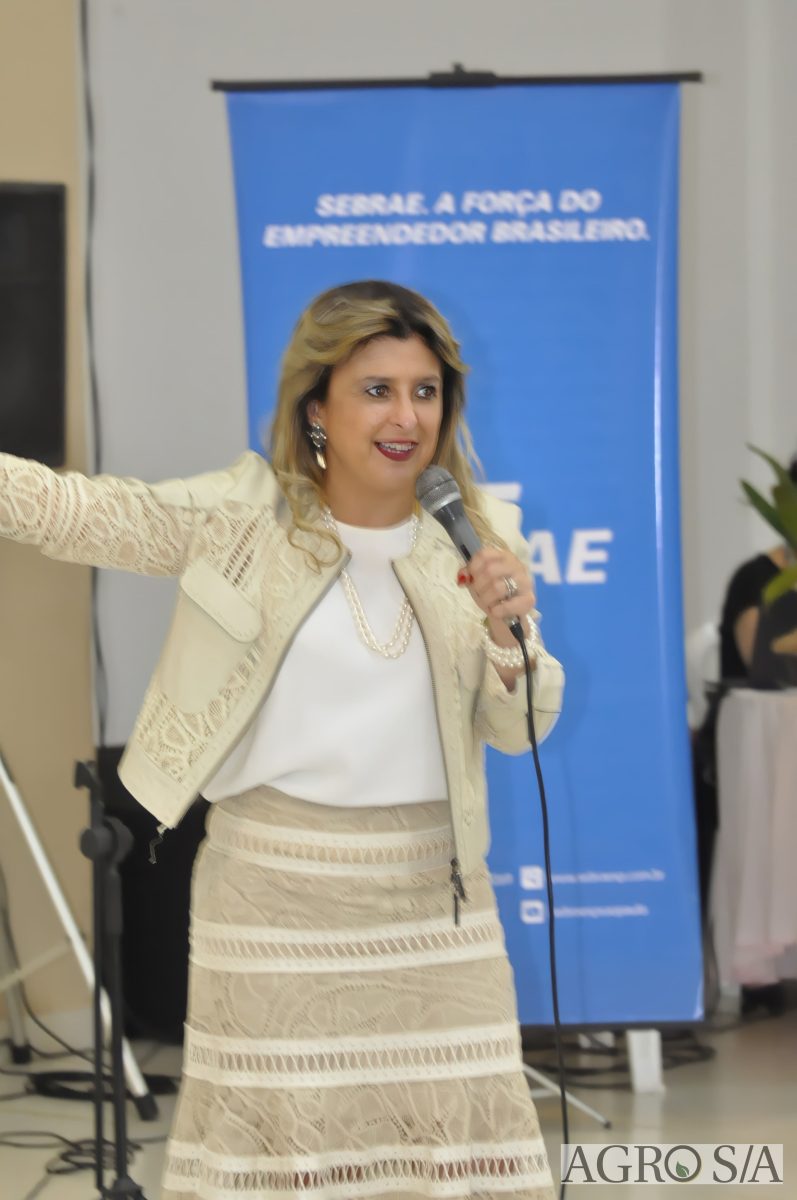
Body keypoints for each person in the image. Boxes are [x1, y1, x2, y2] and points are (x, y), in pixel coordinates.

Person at [0, 280, 564, 1198]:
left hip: (436, 906)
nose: (406, 416)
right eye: (376, 390)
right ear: (317, 408)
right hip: (271, 896)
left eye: (424, 392)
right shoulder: (246, 519)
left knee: (460, 1161)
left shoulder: (477, 537)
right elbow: (78, 511)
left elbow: (519, 728)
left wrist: (509, 635)